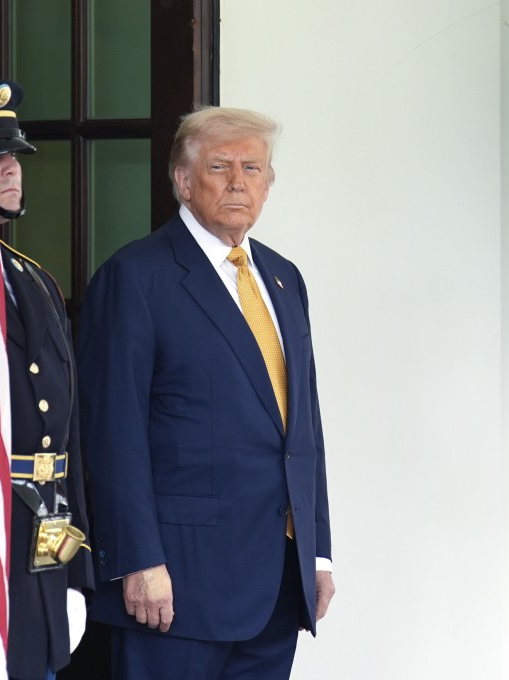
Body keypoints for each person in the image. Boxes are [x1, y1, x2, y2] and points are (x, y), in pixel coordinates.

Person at [77, 106, 334, 680]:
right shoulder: (135, 276)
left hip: (276, 587)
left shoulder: (284, 278)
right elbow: (113, 434)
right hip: (174, 589)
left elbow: (303, 428)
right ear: (184, 181)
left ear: (268, 183)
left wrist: (316, 552)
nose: (238, 182)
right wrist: (138, 559)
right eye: (220, 167)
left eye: (252, 168)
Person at [0, 79, 94, 680]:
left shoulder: (34, 281)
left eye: (15, 157)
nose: (11, 169)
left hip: (43, 551)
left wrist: (76, 569)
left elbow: (66, 440)